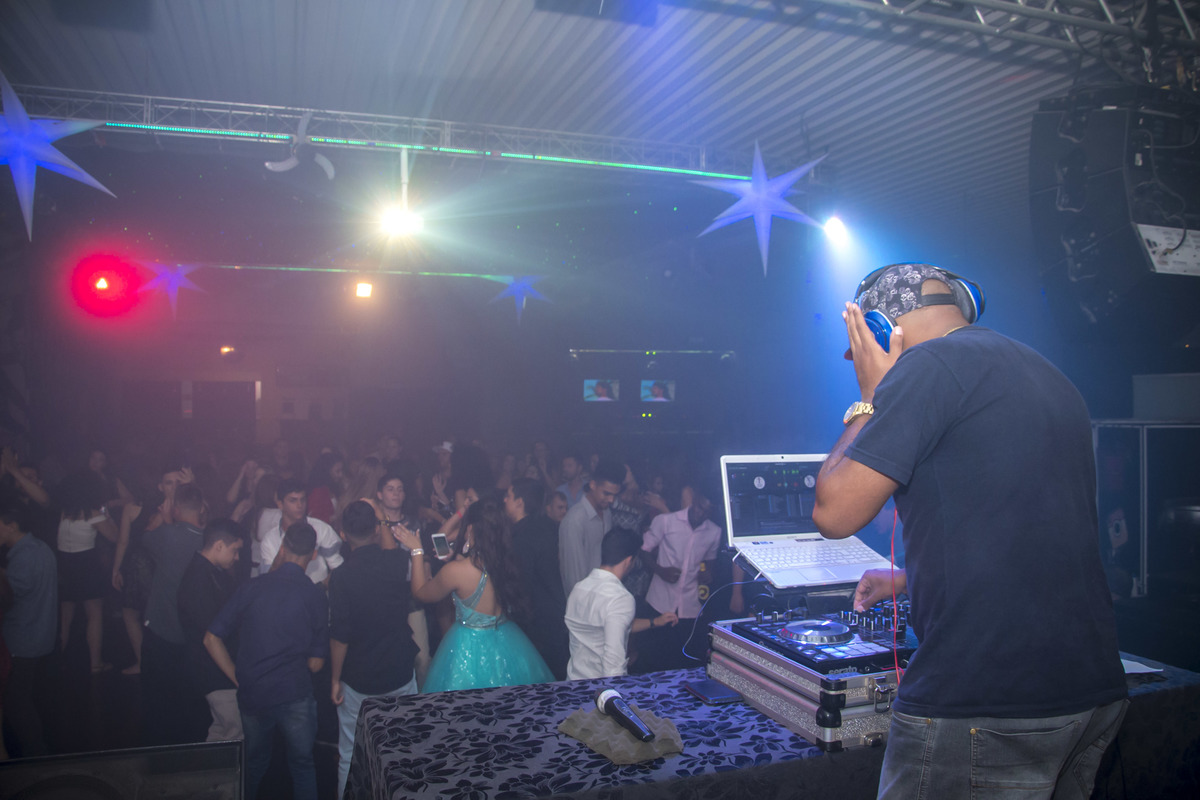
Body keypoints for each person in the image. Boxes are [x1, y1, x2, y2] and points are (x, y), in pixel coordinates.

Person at [812, 262, 1127, 799]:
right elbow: (1026, 529)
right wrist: (908, 579)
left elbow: (833, 513)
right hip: (1090, 691)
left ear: (883, 330)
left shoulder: (926, 367)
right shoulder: (1048, 374)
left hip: (987, 698)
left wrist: (870, 398)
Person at [205, 522, 328, 800]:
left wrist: (237, 675)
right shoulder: (314, 596)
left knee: (255, 763)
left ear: (282, 549)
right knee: (302, 766)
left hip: (254, 692)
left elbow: (211, 638)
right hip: (294, 693)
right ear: (313, 554)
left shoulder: (252, 587)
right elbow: (316, 664)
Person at [393, 493, 553, 692]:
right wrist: (457, 558)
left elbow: (420, 593)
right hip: (507, 638)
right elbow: (483, 572)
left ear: (470, 529)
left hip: (468, 646)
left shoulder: (456, 571)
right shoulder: (508, 561)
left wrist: (417, 550)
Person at [328, 500, 419, 797]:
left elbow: (340, 636)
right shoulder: (396, 562)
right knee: (404, 748)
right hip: (399, 669)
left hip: (360, 677)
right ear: (376, 529)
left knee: (351, 752)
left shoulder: (341, 576)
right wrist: (381, 518)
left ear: (343, 535)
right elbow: (390, 549)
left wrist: (334, 679)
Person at [141, 481, 209, 744]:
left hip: (162, 630)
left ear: (176, 508)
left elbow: (147, 536)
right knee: (189, 698)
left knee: (157, 698)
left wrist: (165, 516)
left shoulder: (167, 535)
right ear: (201, 508)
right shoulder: (208, 540)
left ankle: (159, 750)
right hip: (194, 633)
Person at [565, 527, 677, 680]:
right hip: (599, 688)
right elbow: (613, 663)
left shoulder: (579, 588)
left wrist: (655, 621)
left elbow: (608, 626)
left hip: (573, 683)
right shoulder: (620, 598)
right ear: (629, 561)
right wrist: (615, 693)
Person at [636, 485, 721, 671]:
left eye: (706, 511)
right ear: (694, 500)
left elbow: (709, 564)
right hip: (659, 602)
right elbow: (643, 551)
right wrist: (660, 570)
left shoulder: (714, 532)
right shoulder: (666, 521)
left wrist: (707, 574)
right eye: (699, 507)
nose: (700, 513)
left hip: (690, 608)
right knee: (652, 660)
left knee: (681, 662)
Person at [177, 519, 244, 742]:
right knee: (236, 733)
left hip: (216, 671)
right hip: (215, 673)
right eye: (234, 550)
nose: (237, 557)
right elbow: (211, 638)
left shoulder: (211, 572)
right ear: (219, 546)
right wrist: (236, 677)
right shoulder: (198, 580)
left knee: (221, 733)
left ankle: (209, 765)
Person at [0, 500, 57, 757]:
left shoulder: (24, 556)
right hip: (37, 636)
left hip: (21, 640)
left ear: (11, 526)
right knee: (23, 697)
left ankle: (36, 756)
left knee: (16, 701)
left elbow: (9, 596)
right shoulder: (39, 547)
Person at [504, 477, 570, 680]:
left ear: (519, 502)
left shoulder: (523, 537)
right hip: (550, 616)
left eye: (508, 496)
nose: (504, 500)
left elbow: (522, 584)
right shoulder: (540, 528)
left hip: (538, 623)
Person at [55, 470, 118, 674]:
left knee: (65, 617)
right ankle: (95, 663)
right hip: (86, 565)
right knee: (94, 614)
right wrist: (108, 516)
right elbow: (115, 537)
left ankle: (55, 660)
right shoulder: (93, 515)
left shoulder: (64, 513)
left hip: (65, 564)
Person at [256, 478, 343, 584]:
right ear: (280, 504)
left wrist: (321, 587)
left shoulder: (321, 529)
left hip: (317, 591)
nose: (299, 505)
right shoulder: (270, 539)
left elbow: (338, 567)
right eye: (293, 500)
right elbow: (266, 579)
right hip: (284, 593)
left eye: (302, 500)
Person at [558, 459, 624, 597]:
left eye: (614, 495)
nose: (611, 500)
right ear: (593, 485)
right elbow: (573, 578)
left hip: (603, 597)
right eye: (606, 493)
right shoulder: (574, 521)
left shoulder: (607, 513)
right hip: (585, 603)